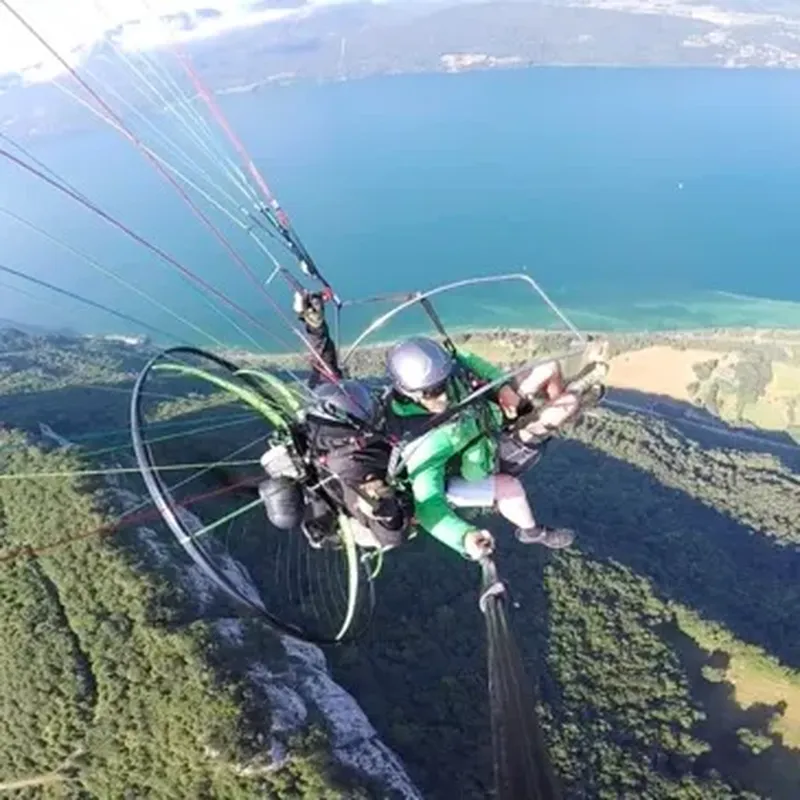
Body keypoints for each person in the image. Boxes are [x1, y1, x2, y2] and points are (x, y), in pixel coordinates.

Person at [384, 335, 608, 562]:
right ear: (411, 393)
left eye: (443, 383)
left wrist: (503, 388)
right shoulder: (421, 443)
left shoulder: (445, 364)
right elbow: (428, 505)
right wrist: (464, 537)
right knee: (563, 407)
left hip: (490, 413)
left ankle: (563, 404)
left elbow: (470, 360)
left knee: (548, 367)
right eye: (432, 391)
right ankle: (532, 532)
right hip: (486, 455)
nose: (442, 394)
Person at [299, 379, 411, 551]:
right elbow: (391, 536)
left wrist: (386, 513)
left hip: (329, 487)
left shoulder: (352, 465)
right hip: (335, 491)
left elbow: (390, 536)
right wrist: (388, 514)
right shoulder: (355, 465)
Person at [293, 289, 343, 388]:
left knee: (321, 369)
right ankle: (336, 385)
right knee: (330, 371)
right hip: (323, 352)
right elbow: (312, 310)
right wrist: (308, 297)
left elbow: (309, 307)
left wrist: (321, 294)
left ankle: (316, 385)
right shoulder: (315, 322)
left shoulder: (310, 318)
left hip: (323, 351)